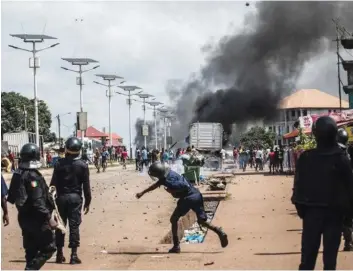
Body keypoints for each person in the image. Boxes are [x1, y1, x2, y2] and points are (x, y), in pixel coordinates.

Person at [291, 116, 353, 270]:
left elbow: (297, 188)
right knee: (330, 261)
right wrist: (348, 218)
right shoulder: (342, 159)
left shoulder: (305, 158)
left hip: (312, 213)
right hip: (334, 214)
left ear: (315, 134)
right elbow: (350, 189)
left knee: (307, 261)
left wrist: (302, 210)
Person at [136, 162, 228, 253]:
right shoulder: (171, 173)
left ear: (158, 174)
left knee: (173, 219)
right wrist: (142, 192)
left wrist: (172, 190)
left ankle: (176, 246)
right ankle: (219, 231)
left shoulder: (166, 181)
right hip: (197, 195)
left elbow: (183, 186)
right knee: (201, 221)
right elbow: (154, 186)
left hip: (187, 199)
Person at [7, 143, 57, 270]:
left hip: (24, 218)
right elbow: (38, 202)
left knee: (31, 251)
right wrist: (49, 218)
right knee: (49, 248)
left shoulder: (17, 174)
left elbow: (12, 197)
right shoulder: (33, 176)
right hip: (37, 219)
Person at [50, 137, 92, 265]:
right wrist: (88, 202)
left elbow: (53, 185)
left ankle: (59, 254)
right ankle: (73, 255)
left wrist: (51, 202)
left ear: (66, 149)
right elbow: (86, 187)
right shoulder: (83, 166)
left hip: (61, 199)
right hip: (75, 199)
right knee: (74, 226)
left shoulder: (58, 164)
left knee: (60, 226)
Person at [337, 128, 353, 251]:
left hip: (337, 190)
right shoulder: (347, 151)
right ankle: (348, 242)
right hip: (347, 188)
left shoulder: (330, 151)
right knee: (348, 218)